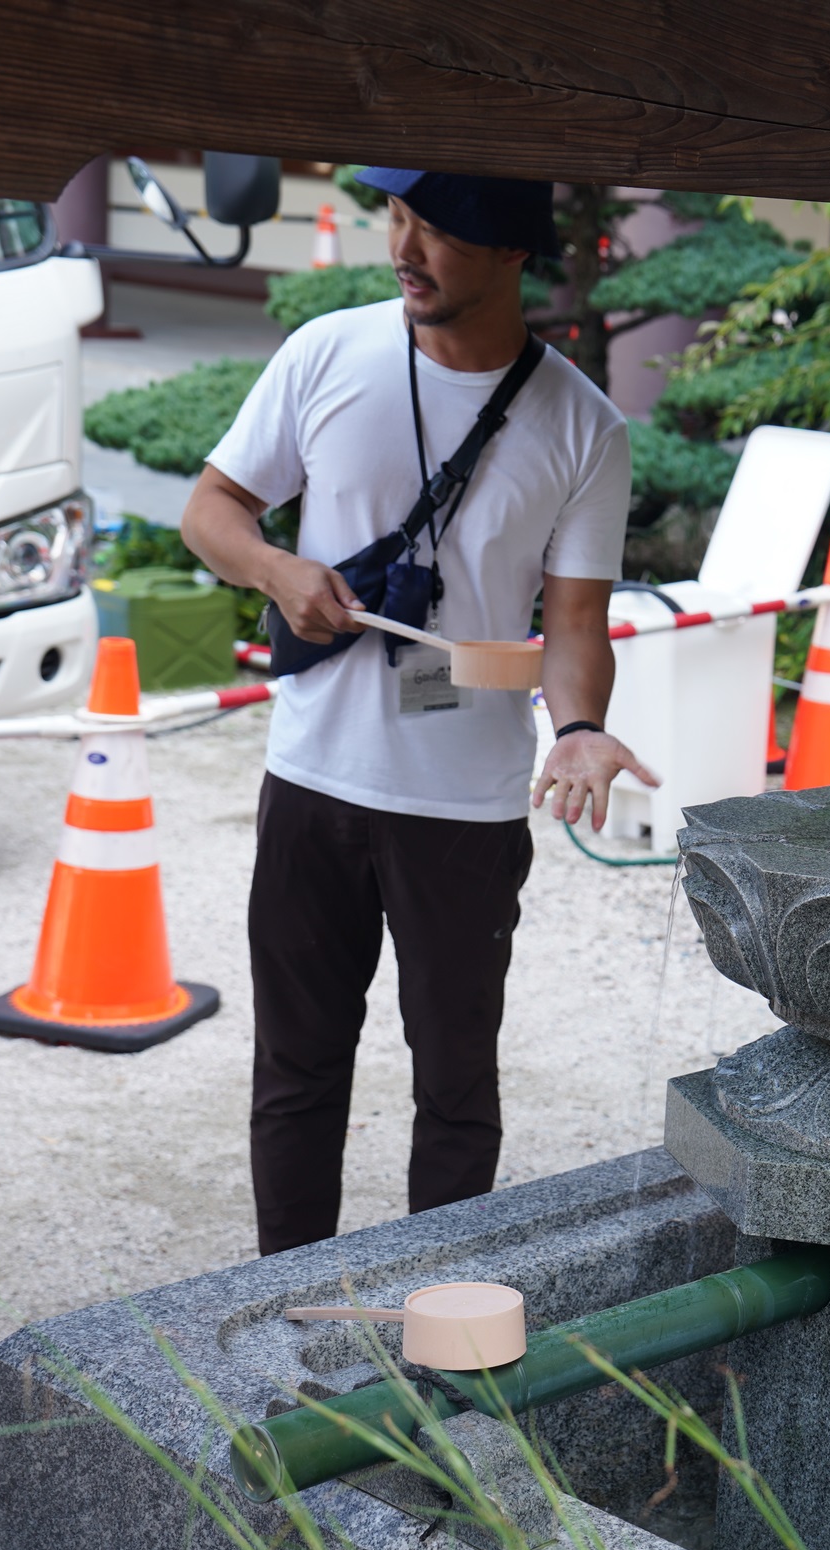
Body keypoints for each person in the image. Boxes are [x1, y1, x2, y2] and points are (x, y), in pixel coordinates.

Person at [184, 170, 658, 1256]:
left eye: (435, 229)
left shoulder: (582, 427)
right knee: (297, 1070)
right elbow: (211, 510)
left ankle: (441, 1324)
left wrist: (577, 727)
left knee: (456, 1085)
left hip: (465, 806)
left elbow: (575, 623)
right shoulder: (328, 352)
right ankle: (282, 1304)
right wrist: (273, 569)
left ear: (508, 253)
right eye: (397, 217)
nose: (404, 245)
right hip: (311, 779)